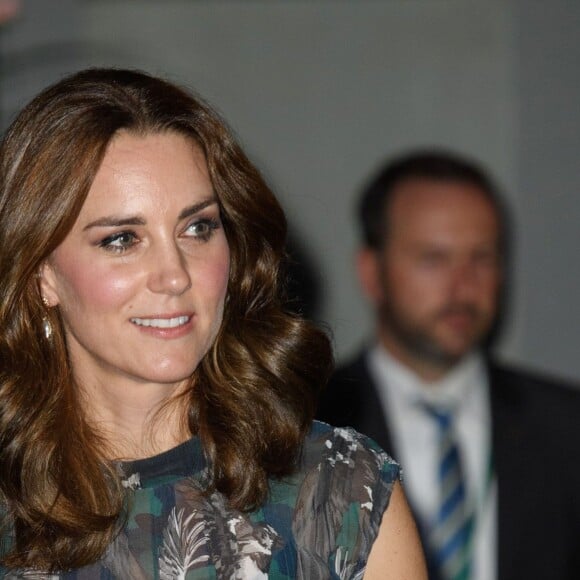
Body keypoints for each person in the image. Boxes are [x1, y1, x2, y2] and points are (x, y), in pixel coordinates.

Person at [0, 68, 426, 578]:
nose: (174, 275)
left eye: (197, 228)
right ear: (41, 273)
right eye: (121, 239)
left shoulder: (340, 495)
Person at [317, 150, 580, 580]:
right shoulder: (310, 422)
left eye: (482, 258)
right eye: (433, 258)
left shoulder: (567, 429)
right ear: (371, 273)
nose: (463, 286)